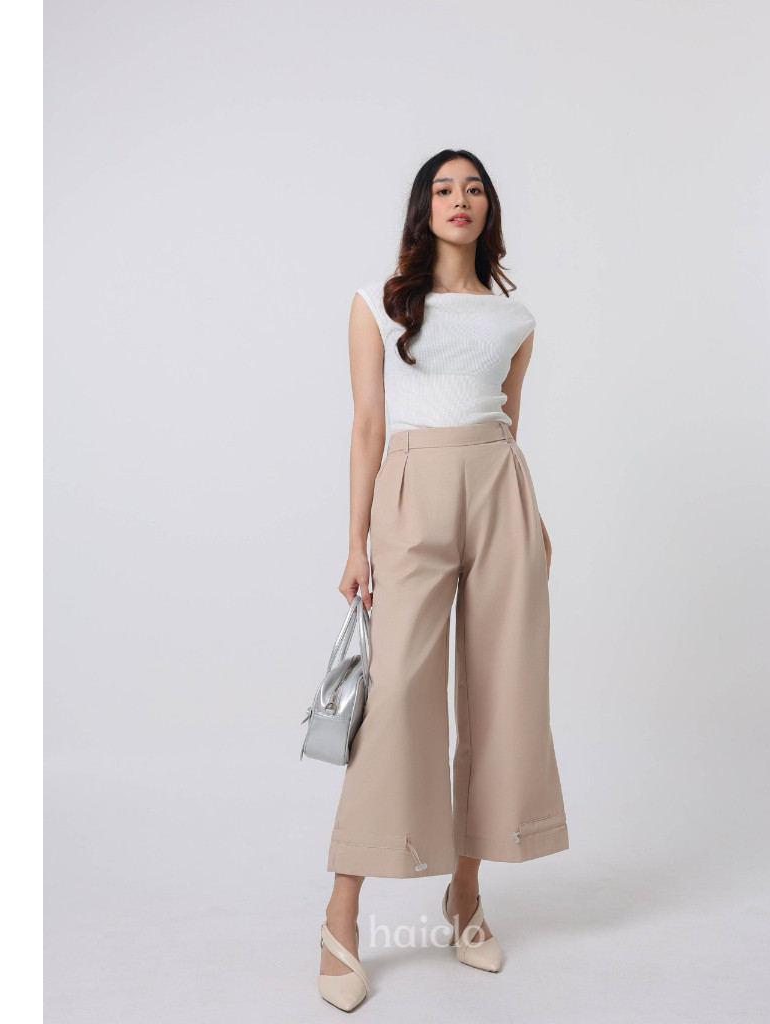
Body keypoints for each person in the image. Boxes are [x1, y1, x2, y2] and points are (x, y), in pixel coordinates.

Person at [316, 149, 569, 1011]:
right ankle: (342, 917)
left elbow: (508, 422)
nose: (459, 199)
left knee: (502, 699)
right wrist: (357, 544)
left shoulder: (515, 318)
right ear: (423, 209)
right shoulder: (380, 302)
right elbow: (366, 426)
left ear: (488, 208)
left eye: (474, 188)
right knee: (395, 704)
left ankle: (465, 895)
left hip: (501, 493)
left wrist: (529, 517)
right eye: (443, 188)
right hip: (411, 492)